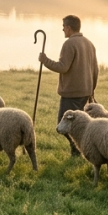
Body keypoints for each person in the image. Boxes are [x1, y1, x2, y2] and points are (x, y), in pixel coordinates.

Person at [39, 14, 98, 156]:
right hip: (85, 92)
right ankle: (79, 150)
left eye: (63, 27)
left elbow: (62, 67)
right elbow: (95, 70)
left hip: (72, 93)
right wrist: (91, 90)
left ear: (69, 28)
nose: (63, 29)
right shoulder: (89, 43)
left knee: (63, 123)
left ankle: (78, 149)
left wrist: (45, 60)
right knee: (78, 122)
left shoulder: (69, 44)